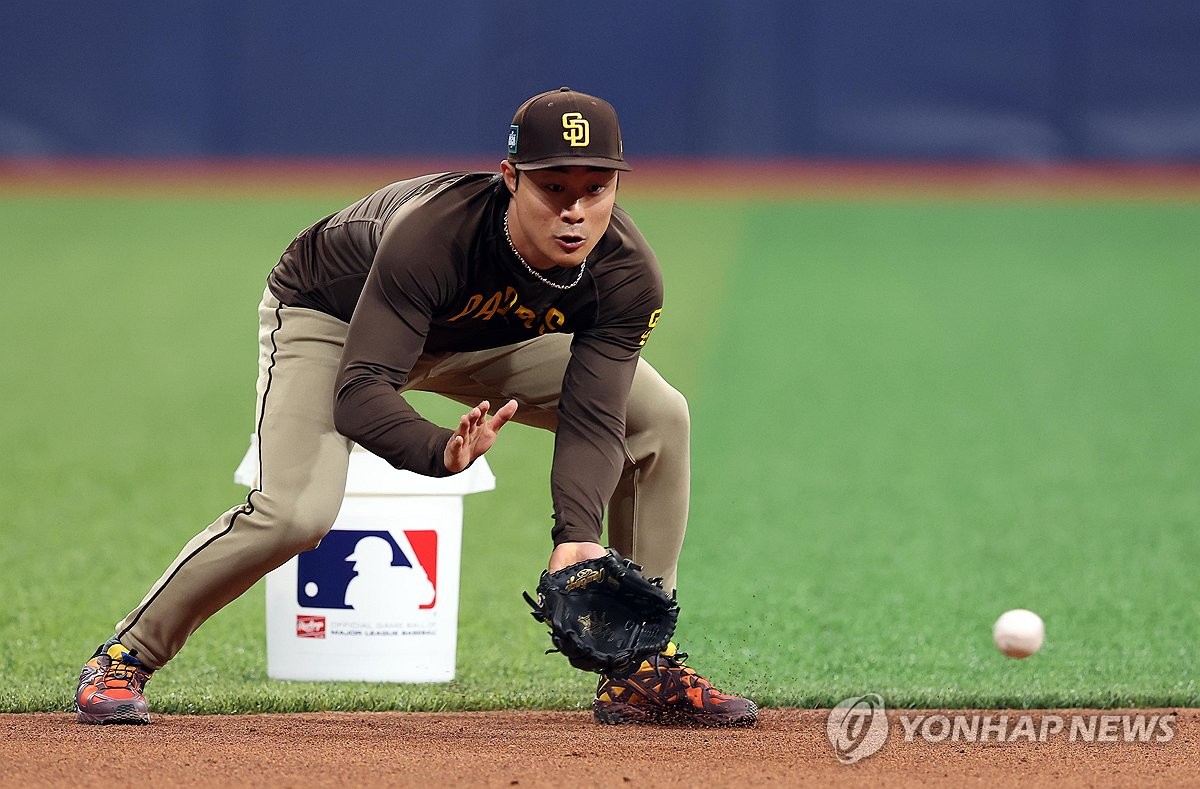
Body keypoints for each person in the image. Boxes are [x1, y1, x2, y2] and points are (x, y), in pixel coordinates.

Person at [75, 87, 758, 728]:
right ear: (511, 177)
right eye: (554, 187)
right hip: (336, 319)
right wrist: (437, 451)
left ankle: (638, 667)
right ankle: (126, 655)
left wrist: (574, 537)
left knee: (658, 415)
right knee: (296, 511)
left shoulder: (626, 273)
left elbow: (596, 411)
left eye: (595, 189)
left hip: (483, 336)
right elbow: (359, 390)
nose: (575, 210)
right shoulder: (436, 235)